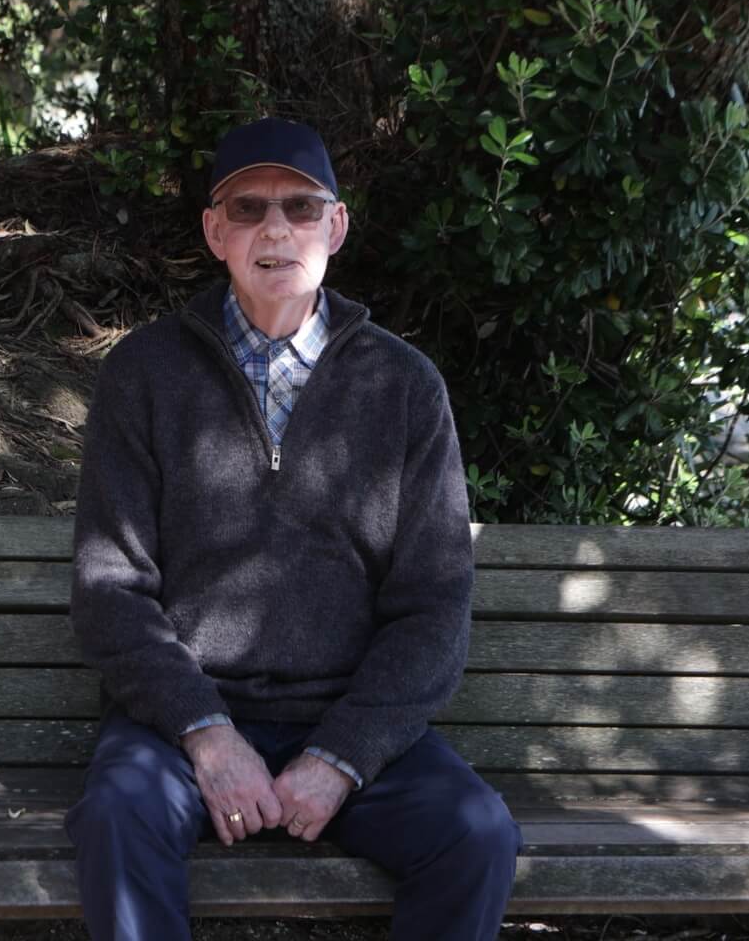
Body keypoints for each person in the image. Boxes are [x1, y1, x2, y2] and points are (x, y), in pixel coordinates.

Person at [65, 116, 520, 941]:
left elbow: (434, 606)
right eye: (248, 208)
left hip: (346, 722)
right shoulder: (143, 374)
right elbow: (112, 591)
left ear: (336, 226)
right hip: (180, 727)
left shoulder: (405, 387)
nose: (276, 228)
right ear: (215, 232)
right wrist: (207, 735)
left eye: (302, 207)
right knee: (116, 820)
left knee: (476, 835)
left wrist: (340, 757)